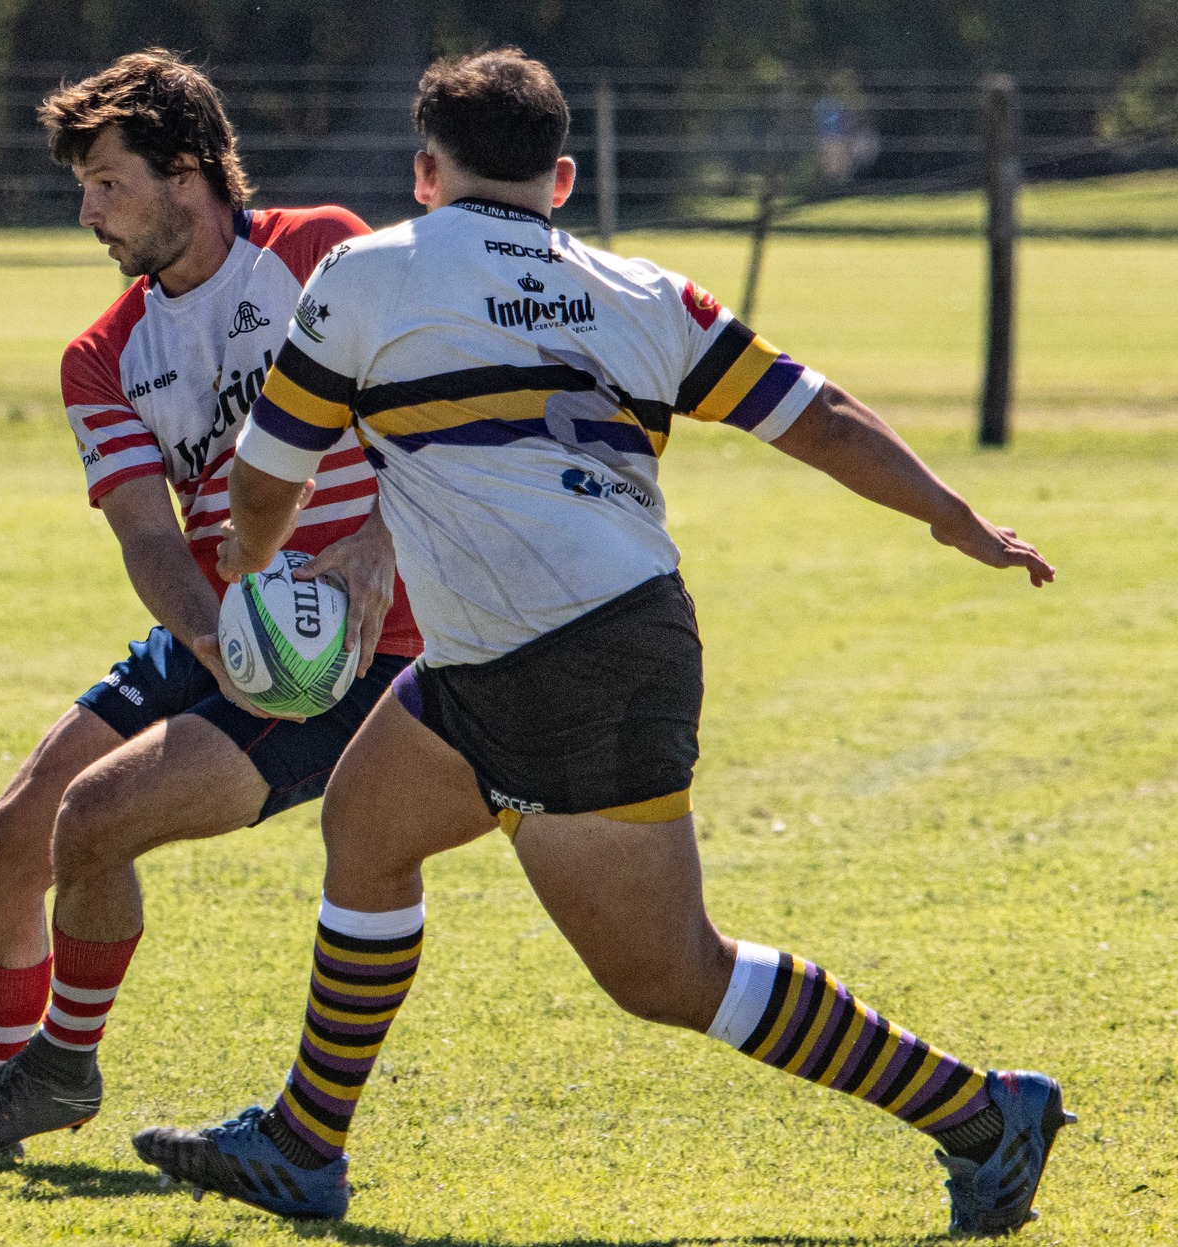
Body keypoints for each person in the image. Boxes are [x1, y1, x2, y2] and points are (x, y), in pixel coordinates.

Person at [131, 48, 1070, 1238]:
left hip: (559, 655)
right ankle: (303, 1144)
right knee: (366, 827)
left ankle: (984, 1112)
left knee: (668, 971)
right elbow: (819, 416)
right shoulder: (643, 292)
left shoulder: (368, 270)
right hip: (562, 636)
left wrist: (258, 579)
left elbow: (267, 477)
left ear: (423, 172)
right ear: (559, 177)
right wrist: (954, 517)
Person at [0, 49, 421, 1164]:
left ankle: (62, 1070)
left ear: (188, 170)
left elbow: (444, 420)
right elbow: (149, 538)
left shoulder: (321, 253)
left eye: (107, 183)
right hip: (222, 632)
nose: (87, 213)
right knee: (4, 843)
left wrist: (374, 540)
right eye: (83, 188)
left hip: (351, 651)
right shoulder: (102, 356)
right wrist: (213, 639)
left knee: (95, 821)